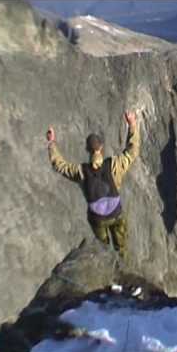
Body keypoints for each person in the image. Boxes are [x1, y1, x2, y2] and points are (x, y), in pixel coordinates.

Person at [46, 111, 140, 259]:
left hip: (97, 218)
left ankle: (106, 264)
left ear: (87, 150)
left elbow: (60, 165)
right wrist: (132, 125)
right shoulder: (115, 165)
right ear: (101, 148)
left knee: (104, 249)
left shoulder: (81, 171)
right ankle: (122, 267)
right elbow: (132, 151)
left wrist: (51, 143)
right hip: (116, 213)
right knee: (121, 249)